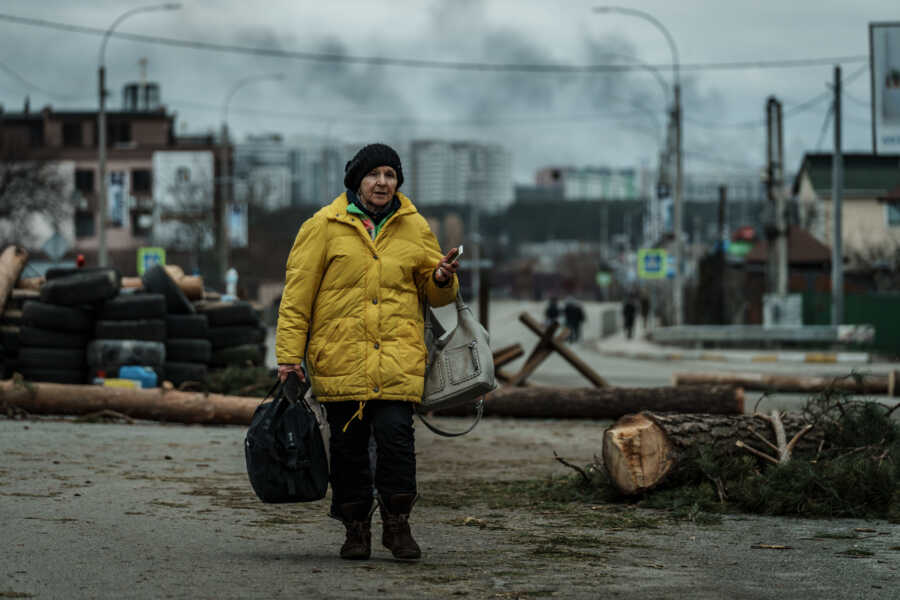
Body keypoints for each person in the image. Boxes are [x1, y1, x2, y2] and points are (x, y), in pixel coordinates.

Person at [275, 143, 459, 561]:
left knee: (397, 440)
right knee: (348, 449)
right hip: (341, 358)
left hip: (397, 358)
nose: (382, 182)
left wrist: (443, 277)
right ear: (357, 180)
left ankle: (398, 526)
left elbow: (436, 291)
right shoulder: (322, 226)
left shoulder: (414, 227)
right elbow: (296, 298)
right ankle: (355, 530)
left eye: (390, 175)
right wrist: (289, 357)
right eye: (374, 174)